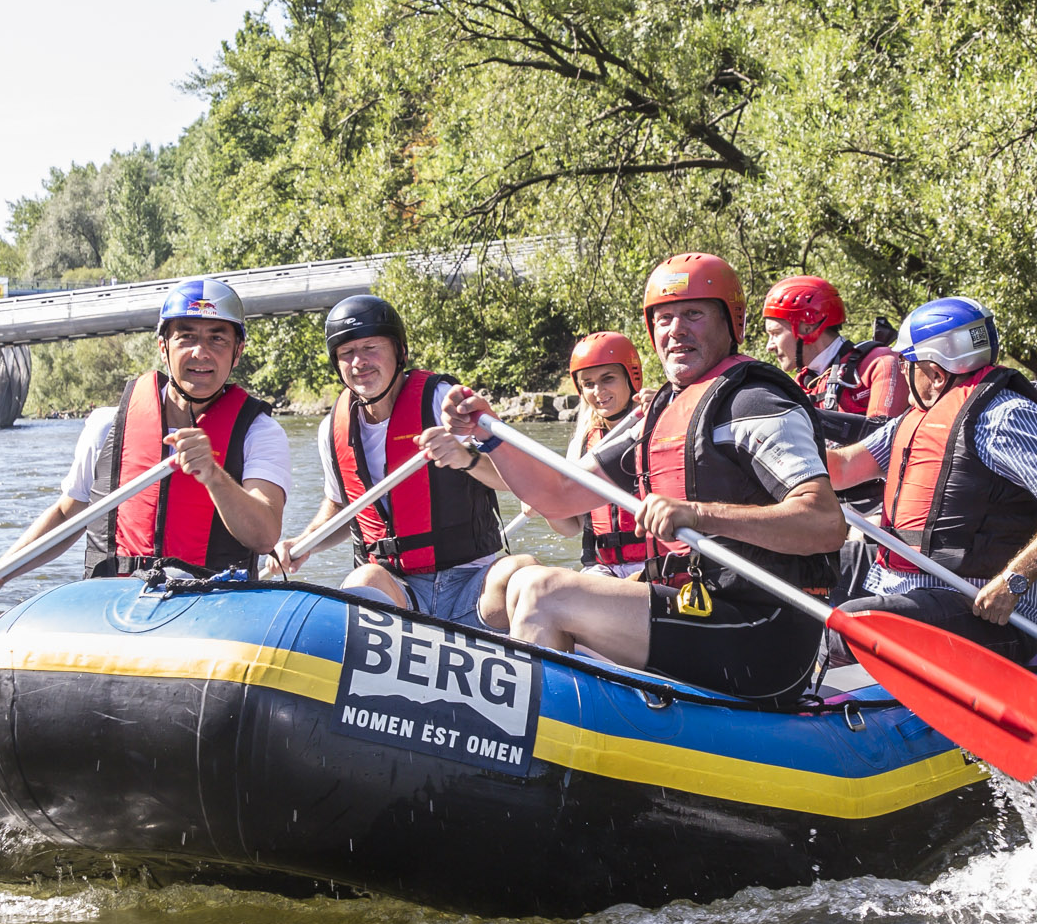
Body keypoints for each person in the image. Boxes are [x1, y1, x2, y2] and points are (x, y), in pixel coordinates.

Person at [442, 254, 844, 705]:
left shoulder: (756, 403)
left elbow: (825, 523)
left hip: (764, 632)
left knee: (543, 592)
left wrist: (699, 515)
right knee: (524, 589)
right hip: (696, 609)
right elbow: (557, 498)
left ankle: (541, 755)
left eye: (694, 314)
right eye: (664, 318)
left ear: (731, 322)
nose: (676, 329)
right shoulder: (656, 414)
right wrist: (492, 435)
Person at [0, 276, 289, 603]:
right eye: (186, 337)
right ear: (163, 346)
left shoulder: (260, 433)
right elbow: (68, 517)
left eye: (217, 339)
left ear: (237, 351)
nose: (201, 352)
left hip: (214, 602)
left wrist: (214, 477)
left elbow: (264, 537)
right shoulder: (105, 426)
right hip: (114, 602)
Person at [820, 297, 1037, 663]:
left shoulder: (1007, 417)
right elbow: (844, 468)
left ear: (937, 373)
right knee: (808, 566)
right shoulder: (915, 419)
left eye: (908, 363)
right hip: (918, 592)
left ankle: (807, 700)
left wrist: (1013, 581)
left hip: (992, 615)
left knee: (850, 623)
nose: (903, 372)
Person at [269, 294, 511, 627]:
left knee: (521, 572)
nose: (359, 362)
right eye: (347, 353)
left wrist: (464, 457)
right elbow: (342, 507)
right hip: (396, 588)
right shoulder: (331, 430)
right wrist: (302, 542)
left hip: (474, 582)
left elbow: (511, 478)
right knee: (362, 580)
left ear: (400, 352)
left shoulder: (443, 401)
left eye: (370, 347)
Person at [473, 331, 655, 633]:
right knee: (527, 587)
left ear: (631, 378)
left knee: (549, 597)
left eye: (608, 379)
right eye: (588, 384)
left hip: (655, 567)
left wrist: (663, 407)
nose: (598, 391)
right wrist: (547, 505)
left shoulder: (658, 422)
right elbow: (570, 527)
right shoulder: (584, 441)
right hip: (602, 568)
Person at [761, 274, 909, 428]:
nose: (769, 346)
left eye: (775, 334)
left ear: (807, 326)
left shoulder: (881, 364)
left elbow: (884, 439)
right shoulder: (801, 385)